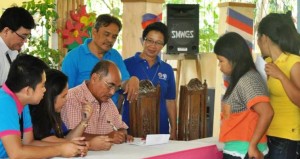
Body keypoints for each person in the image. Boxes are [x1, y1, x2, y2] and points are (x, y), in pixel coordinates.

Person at [0, 54, 87, 158]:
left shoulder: (22, 101)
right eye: (42, 86)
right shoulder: (5, 103)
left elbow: (29, 143)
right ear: (28, 90)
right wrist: (60, 150)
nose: (45, 90)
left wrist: (67, 145)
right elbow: (16, 153)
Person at [214, 32, 274, 159]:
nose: (219, 66)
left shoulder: (248, 79)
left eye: (221, 61)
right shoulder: (239, 79)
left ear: (233, 58)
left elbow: (267, 112)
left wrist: (252, 146)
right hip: (238, 150)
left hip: (244, 152)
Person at [61, 14, 139, 105]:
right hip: (82, 113)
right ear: (94, 32)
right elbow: (66, 93)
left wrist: (133, 80)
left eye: (114, 37)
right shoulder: (73, 57)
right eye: (106, 34)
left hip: (110, 114)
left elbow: (123, 82)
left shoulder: (115, 55)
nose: (110, 40)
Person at [29, 69, 113, 151]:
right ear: (51, 97)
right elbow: (49, 141)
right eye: (63, 96)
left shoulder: (54, 114)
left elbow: (68, 138)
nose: (66, 100)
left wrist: (84, 121)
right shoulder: (37, 114)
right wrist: (89, 144)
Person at [122, 22, 177, 139]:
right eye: (150, 40)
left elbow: (170, 101)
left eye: (158, 43)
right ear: (143, 40)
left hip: (160, 130)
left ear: (163, 45)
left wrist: (174, 129)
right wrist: (117, 128)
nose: (153, 46)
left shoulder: (167, 69)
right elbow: (119, 98)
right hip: (131, 130)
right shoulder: (126, 64)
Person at [257, 13, 300, 159]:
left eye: (258, 38)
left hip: (287, 136)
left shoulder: (294, 62)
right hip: (270, 134)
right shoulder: (269, 62)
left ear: (264, 38)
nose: (257, 42)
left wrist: (281, 76)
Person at [61, 60, 134, 144]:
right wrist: (109, 137)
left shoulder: (108, 102)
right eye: (110, 86)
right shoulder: (72, 98)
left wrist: (121, 135)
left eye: (117, 88)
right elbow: (71, 136)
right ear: (94, 78)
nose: (112, 92)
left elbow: (121, 128)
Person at [0, 6, 35, 86]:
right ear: (6, 31)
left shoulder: (12, 51)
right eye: (23, 36)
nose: (25, 40)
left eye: (27, 36)